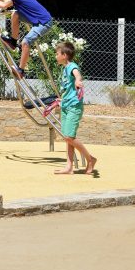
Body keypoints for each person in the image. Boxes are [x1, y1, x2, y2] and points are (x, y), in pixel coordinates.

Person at [47, 40, 97, 175]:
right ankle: (69, 167)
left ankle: (90, 159)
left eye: (57, 53)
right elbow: (69, 89)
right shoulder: (64, 68)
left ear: (64, 55)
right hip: (66, 105)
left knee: (69, 137)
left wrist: (78, 80)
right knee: (68, 137)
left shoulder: (71, 66)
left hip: (74, 107)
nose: (56, 56)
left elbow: (77, 74)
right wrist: (61, 100)